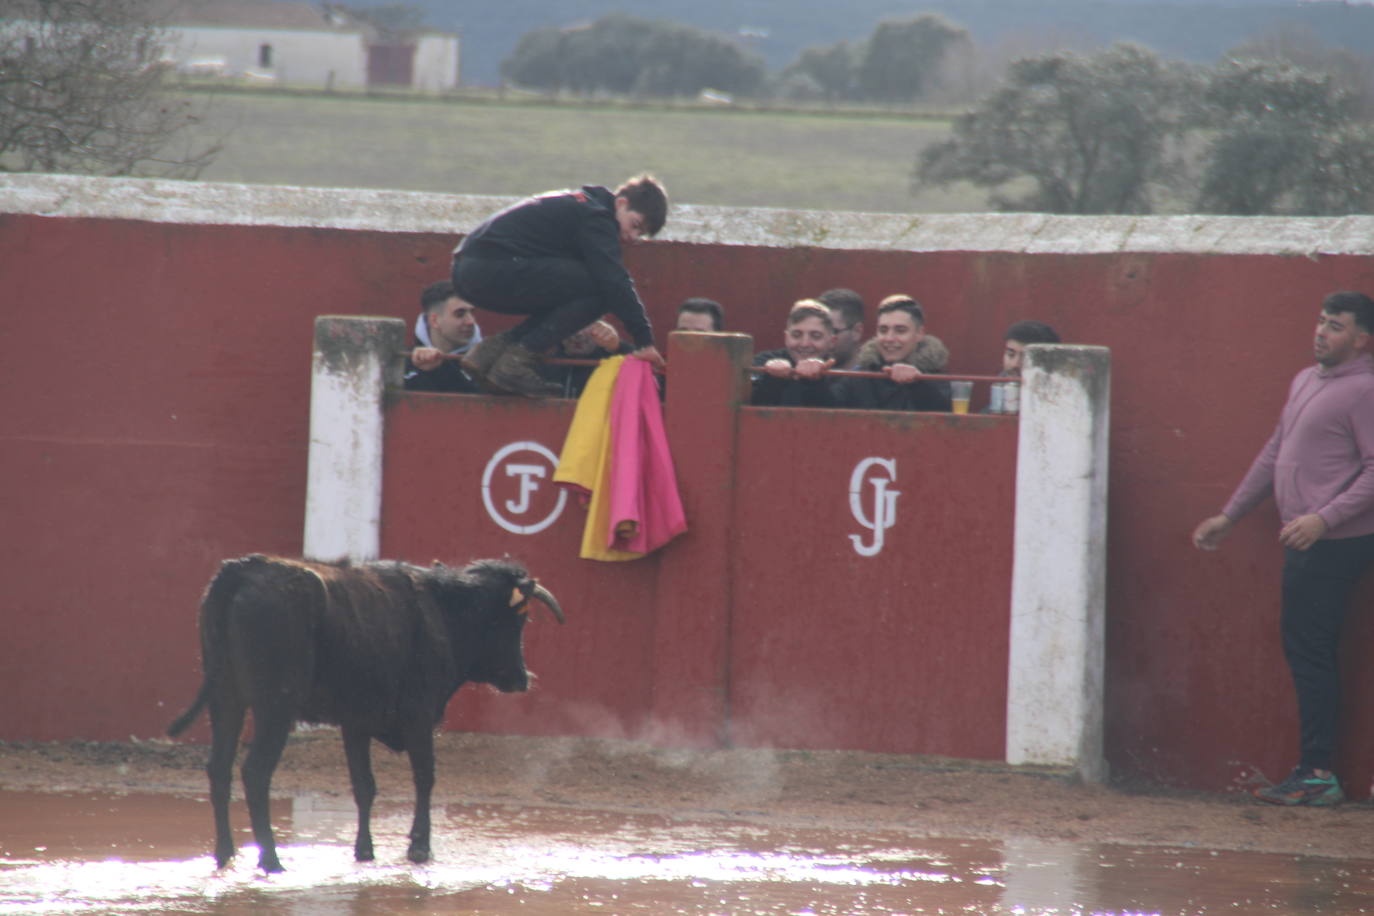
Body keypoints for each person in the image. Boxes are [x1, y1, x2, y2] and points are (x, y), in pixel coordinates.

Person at [1192, 290, 1374, 807]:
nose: (1321, 331)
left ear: (1362, 340)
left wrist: (1323, 518)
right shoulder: (1304, 381)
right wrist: (1230, 515)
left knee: (1310, 653)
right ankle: (1315, 771)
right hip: (1307, 538)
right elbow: (1276, 452)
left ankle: (1318, 774)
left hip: (1336, 542)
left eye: (1335, 325)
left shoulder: (1364, 390)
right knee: (1307, 650)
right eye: (1320, 321)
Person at [451, 174, 669, 397]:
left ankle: (490, 352)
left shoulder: (581, 205)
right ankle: (516, 360)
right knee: (603, 287)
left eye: (640, 235)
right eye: (635, 225)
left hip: (469, 269)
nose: (632, 237)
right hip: (490, 267)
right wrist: (644, 341)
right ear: (621, 203)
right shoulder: (598, 217)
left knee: (573, 290)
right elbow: (614, 280)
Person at [834, 295, 951, 412]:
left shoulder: (935, 377)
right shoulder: (860, 375)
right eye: (883, 330)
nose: (889, 338)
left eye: (900, 330)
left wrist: (917, 384)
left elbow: (946, 415)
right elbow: (829, 406)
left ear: (919, 333)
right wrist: (816, 381)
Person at [750, 299, 839, 407]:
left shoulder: (841, 373)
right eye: (796, 335)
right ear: (786, 337)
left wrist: (815, 382)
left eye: (816, 336)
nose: (805, 343)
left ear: (832, 341)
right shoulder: (762, 362)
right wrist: (773, 379)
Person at [403, 280, 481, 393]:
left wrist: (439, 369)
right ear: (434, 320)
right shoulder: (404, 364)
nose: (471, 321)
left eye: (472, 313)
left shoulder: (484, 365)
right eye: (460, 314)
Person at [540, 320, 632, 398]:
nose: (578, 334)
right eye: (570, 325)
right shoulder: (546, 362)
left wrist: (618, 347)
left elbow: (641, 368)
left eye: (586, 324)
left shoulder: (612, 359)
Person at [818, 288, 866, 370]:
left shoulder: (876, 378)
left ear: (857, 332)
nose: (825, 340)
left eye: (833, 331)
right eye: (818, 334)